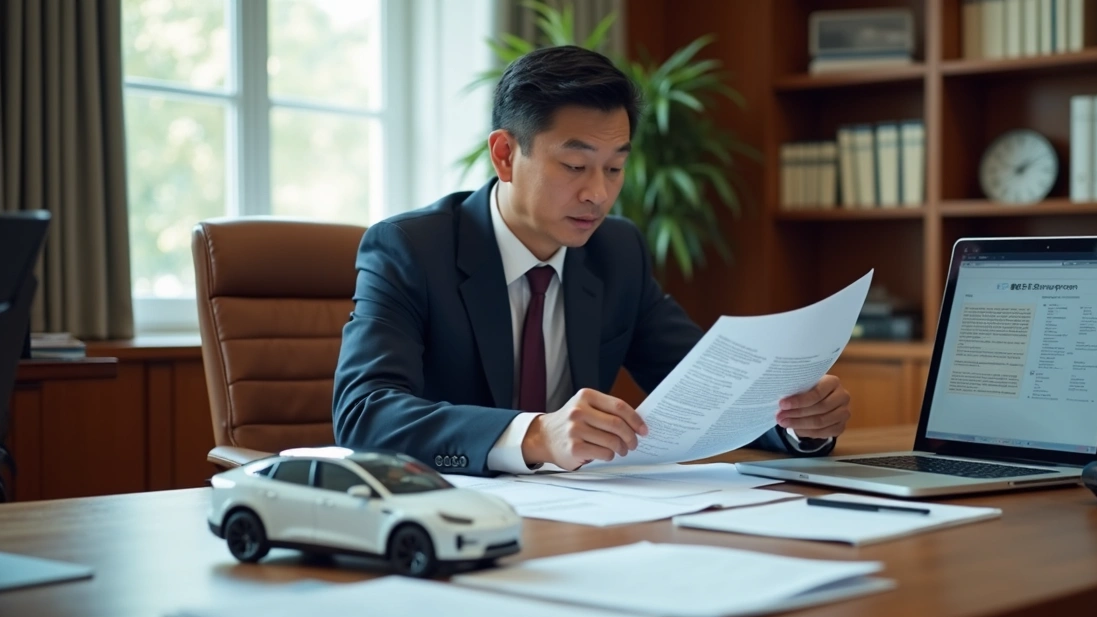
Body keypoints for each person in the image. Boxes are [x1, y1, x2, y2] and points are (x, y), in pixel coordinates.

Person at [332, 45, 851, 476]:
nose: (598, 194)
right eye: (575, 165)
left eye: (615, 168)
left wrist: (793, 419)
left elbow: (705, 388)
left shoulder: (616, 252)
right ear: (506, 155)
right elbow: (364, 414)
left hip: (582, 519)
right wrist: (535, 435)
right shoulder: (410, 249)